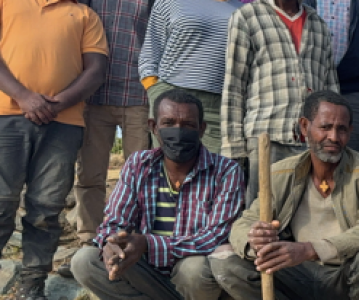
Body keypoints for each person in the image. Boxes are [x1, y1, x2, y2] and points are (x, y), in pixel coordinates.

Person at [211, 91, 359, 300]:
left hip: (344, 272)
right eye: (325, 127)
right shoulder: (280, 173)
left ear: (350, 132)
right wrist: (255, 240)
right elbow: (244, 224)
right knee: (224, 260)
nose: (333, 137)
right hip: (295, 271)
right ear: (305, 127)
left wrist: (309, 249)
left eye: (341, 129)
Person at [69, 90, 245, 300]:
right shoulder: (139, 164)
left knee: (194, 269)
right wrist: (112, 241)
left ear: (201, 129)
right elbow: (116, 219)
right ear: (153, 126)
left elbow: (215, 237)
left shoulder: (226, 171)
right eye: (168, 123)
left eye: (188, 125)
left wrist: (148, 244)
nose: (178, 131)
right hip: (148, 270)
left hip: (194, 276)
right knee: (85, 261)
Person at [0, 0, 108, 297]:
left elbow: (96, 70)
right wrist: (23, 96)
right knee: (1, 201)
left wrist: (55, 105)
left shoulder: (85, 15)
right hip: (6, 117)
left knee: (46, 207)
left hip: (64, 124)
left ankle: (32, 284)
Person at [64, 0, 153, 278]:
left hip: (138, 96)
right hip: (94, 96)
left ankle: (131, 243)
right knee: (89, 175)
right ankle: (88, 242)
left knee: (141, 178)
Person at [221, 0, 339, 206]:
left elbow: (331, 88)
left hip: (311, 142)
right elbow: (234, 86)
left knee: (308, 212)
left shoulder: (318, 24)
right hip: (266, 137)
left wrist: (332, 135)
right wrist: (234, 148)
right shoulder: (248, 16)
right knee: (262, 212)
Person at [140, 0, 245, 152]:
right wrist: (156, 92)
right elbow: (150, 52)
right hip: (171, 97)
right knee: (172, 162)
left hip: (220, 104)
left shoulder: (244, 10)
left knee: (219, 164)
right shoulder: (169, 2)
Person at [305, 0, 359, 154]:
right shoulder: (301, 3)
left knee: (351, 163)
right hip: (311, 92)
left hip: (355, 96)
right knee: (306, 161)